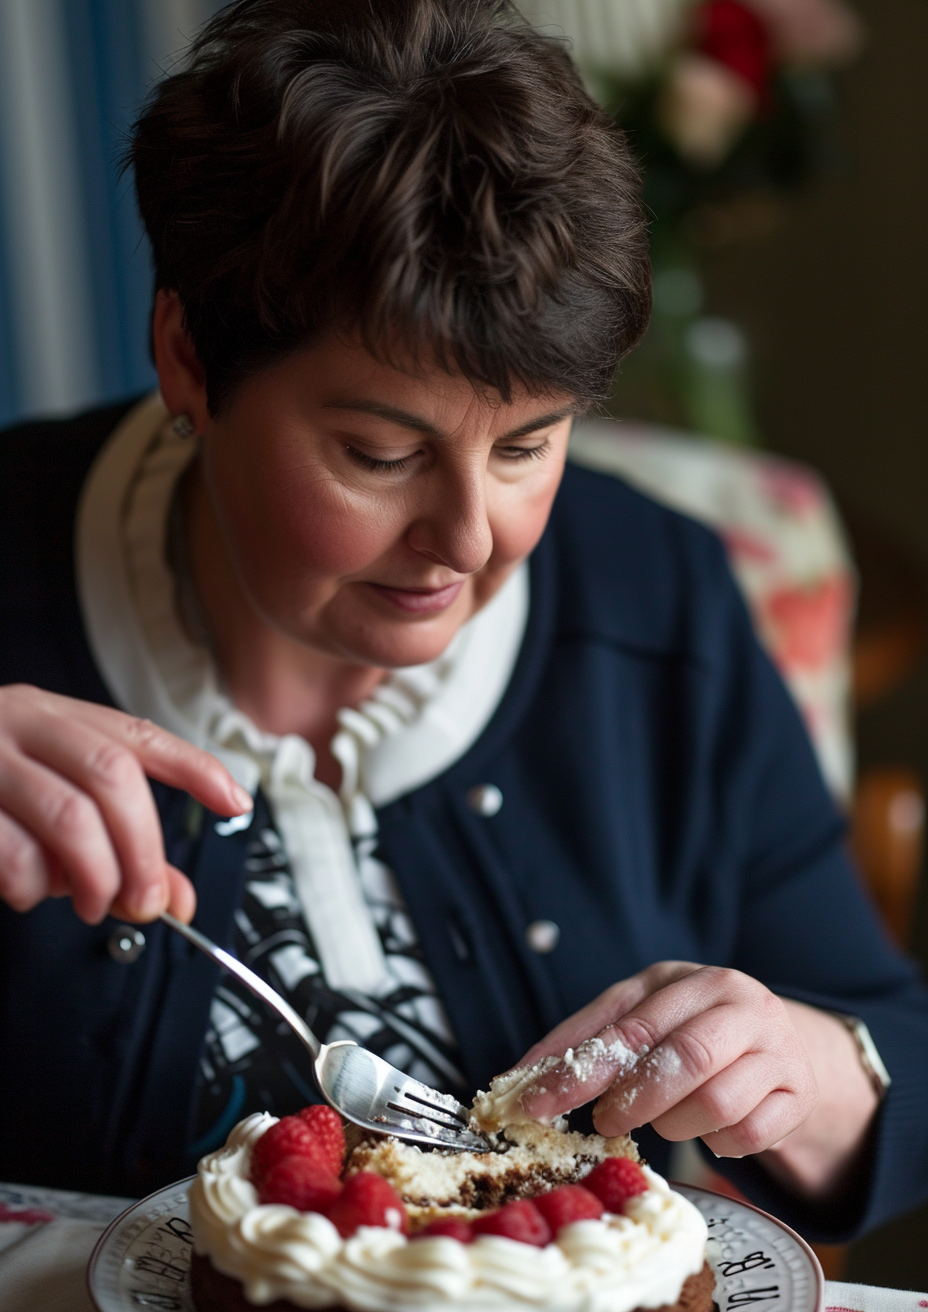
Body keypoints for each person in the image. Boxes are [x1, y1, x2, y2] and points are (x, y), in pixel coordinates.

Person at [0, 0, 925, 1245]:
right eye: (379, 453)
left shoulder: (660, 599)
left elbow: (896, 1057)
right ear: (188, 355)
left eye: (529, 445)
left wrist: (812, 1069)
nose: (472, 536)